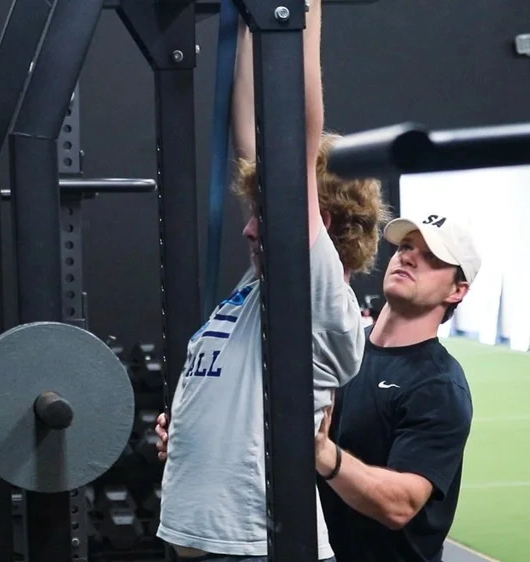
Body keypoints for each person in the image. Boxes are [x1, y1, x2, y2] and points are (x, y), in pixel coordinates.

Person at [153, 2, 390, 560]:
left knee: (283, 153)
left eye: (263, 213)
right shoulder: (259, 289)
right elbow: (252, 148)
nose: (249, 229)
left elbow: (293, 147)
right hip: (210, 547)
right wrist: (249, 17)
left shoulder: (315, 294)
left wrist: (298, 15)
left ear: (317, 223)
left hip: (260, 552)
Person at [157, 212, 481, 562]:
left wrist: (323, 454)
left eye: (431, 258)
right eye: (405, 246)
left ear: (457, 290)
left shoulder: (439, 387)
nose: (408, 257)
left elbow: (401, 505)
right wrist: (199, 434)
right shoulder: (330, 346)